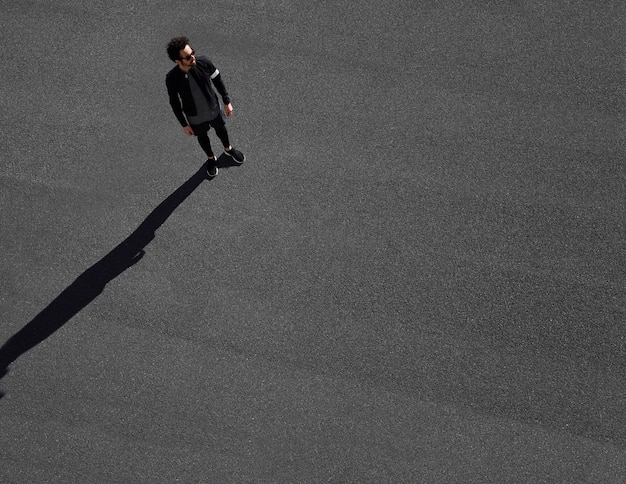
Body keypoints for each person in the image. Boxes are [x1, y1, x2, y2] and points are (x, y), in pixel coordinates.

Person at [166, 37, 245, 177]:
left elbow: (217, 80)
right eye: (188, 57)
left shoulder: (204, 62)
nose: (192, 57)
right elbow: (174, 103)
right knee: (202, 137)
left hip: (213, 108)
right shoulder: (172, 78)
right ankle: (211, 158)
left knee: (221, 129)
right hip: (194, 116)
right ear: (177, 61)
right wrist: (184, 124)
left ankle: (228, 149)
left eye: (192, 53)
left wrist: (227, 101)